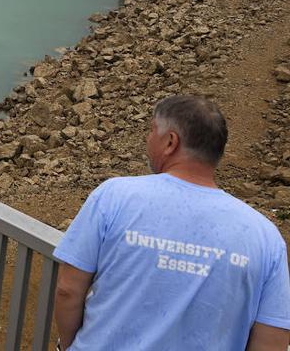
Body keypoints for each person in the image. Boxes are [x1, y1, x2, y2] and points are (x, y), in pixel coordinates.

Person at [53, 94, 290, 350]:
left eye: (152, 131)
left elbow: (68, 289)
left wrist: (67, 345)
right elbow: (273, 337)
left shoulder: (113, 196)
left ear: (170, 142)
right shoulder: (265, 235)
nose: (147, 138)